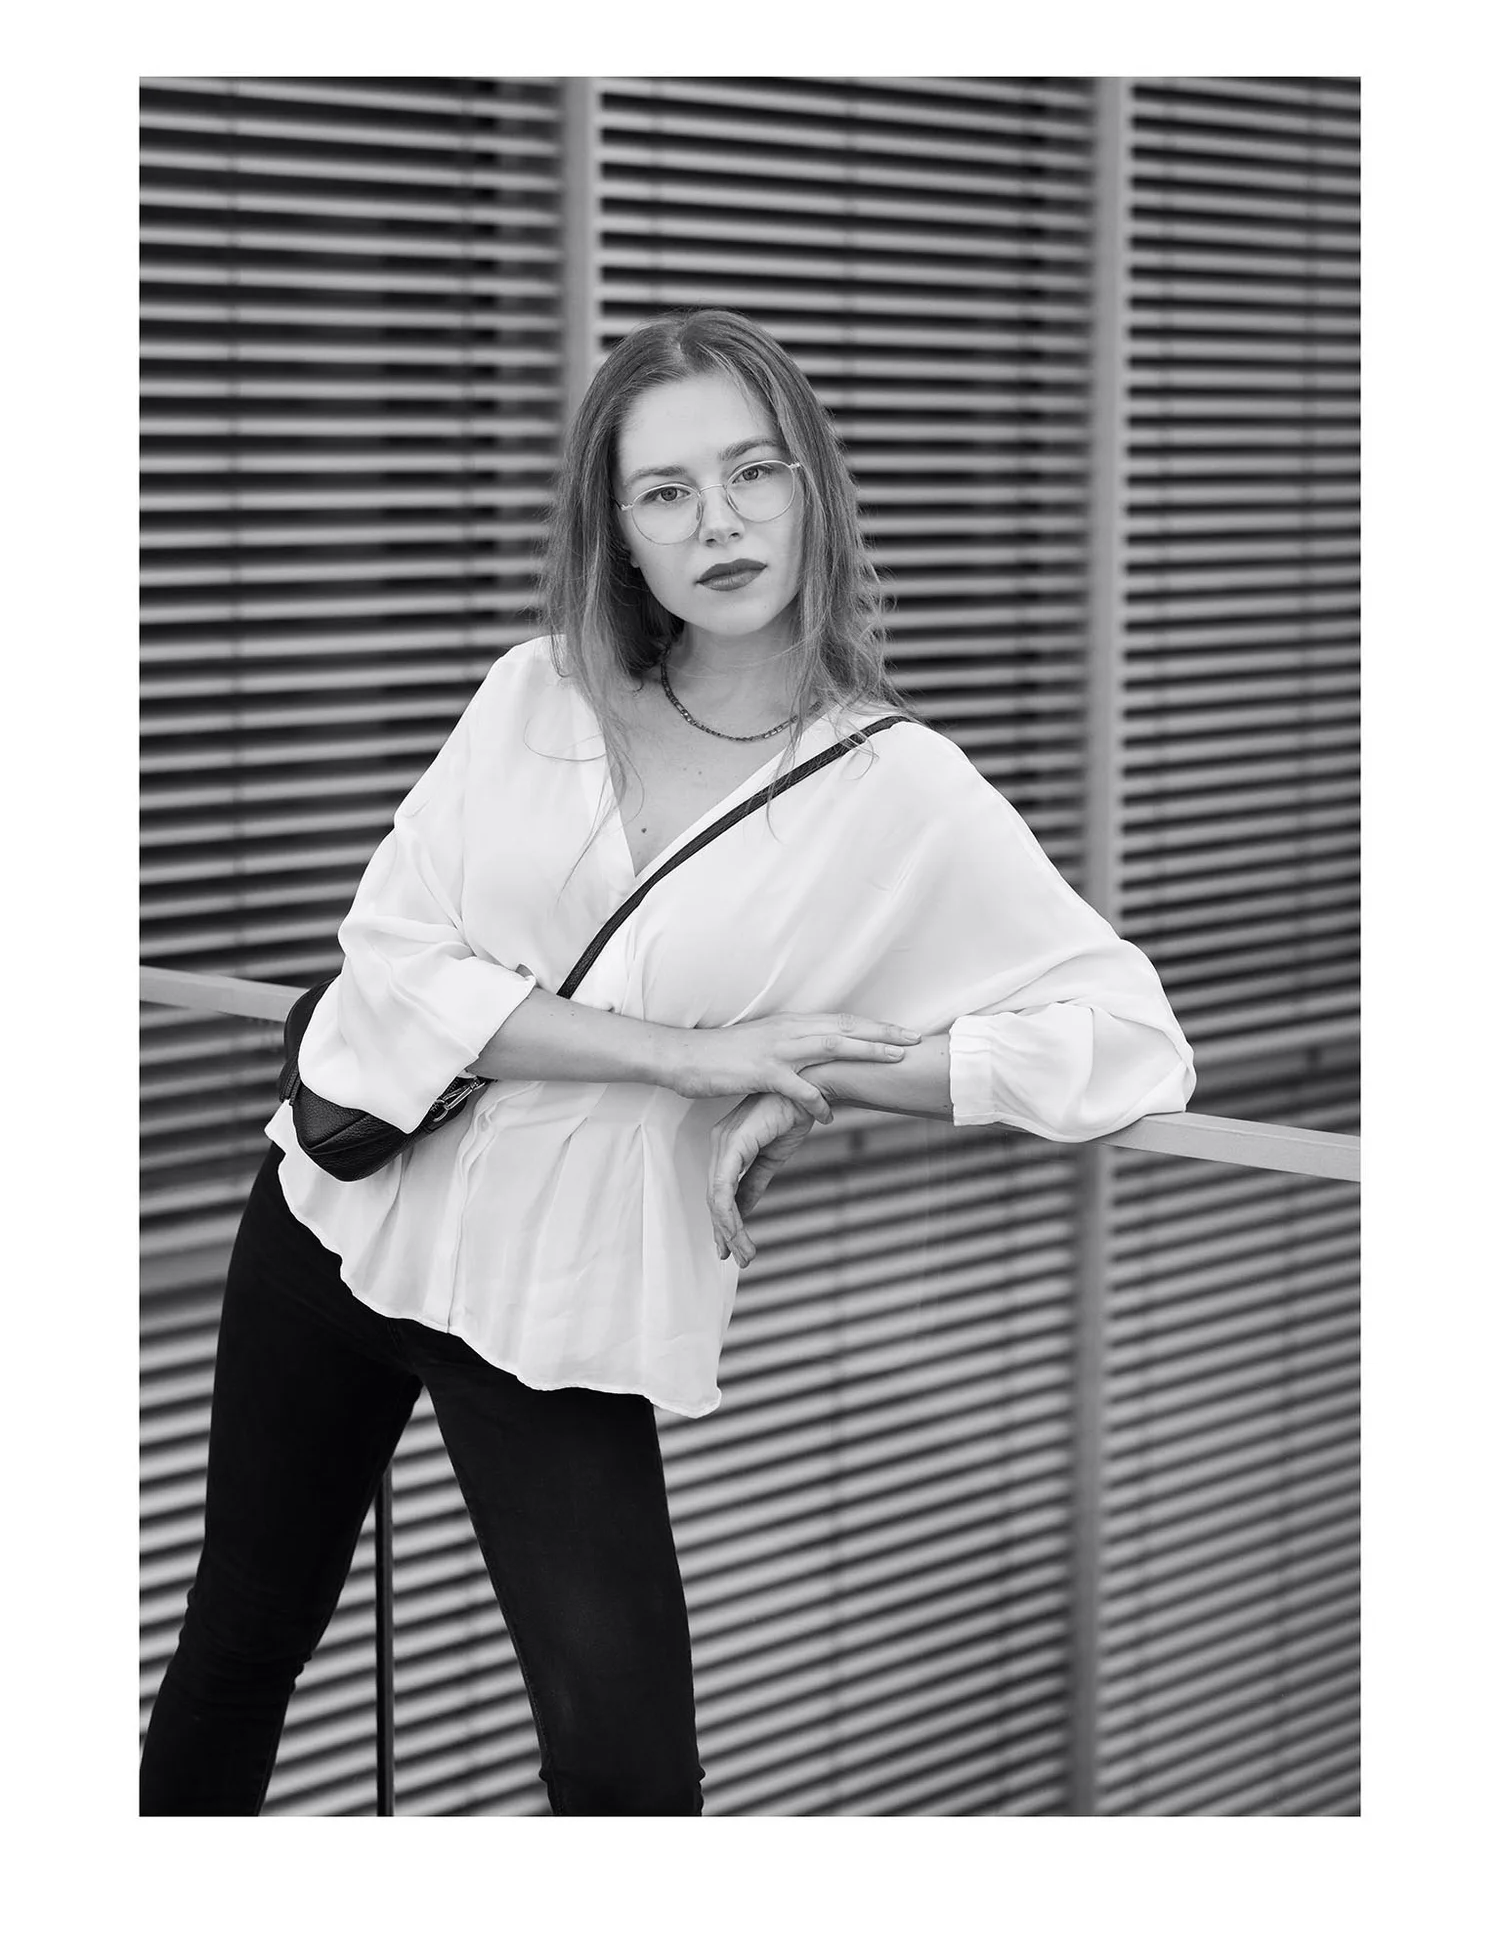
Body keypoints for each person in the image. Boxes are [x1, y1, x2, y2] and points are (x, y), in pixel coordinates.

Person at [139, 307, 1195, 1818]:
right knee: (237, 1650)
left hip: (561, 1300)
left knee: (627, 1775)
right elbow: (394, 957)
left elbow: (1130, 1040)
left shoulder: (897, 786)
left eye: (754, 472)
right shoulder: (536, 691)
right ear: (620, 533)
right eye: (666, 491)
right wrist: (690, 1060)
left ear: (813, 486)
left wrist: (822, 1078)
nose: (719, 523)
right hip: (332, 1216)